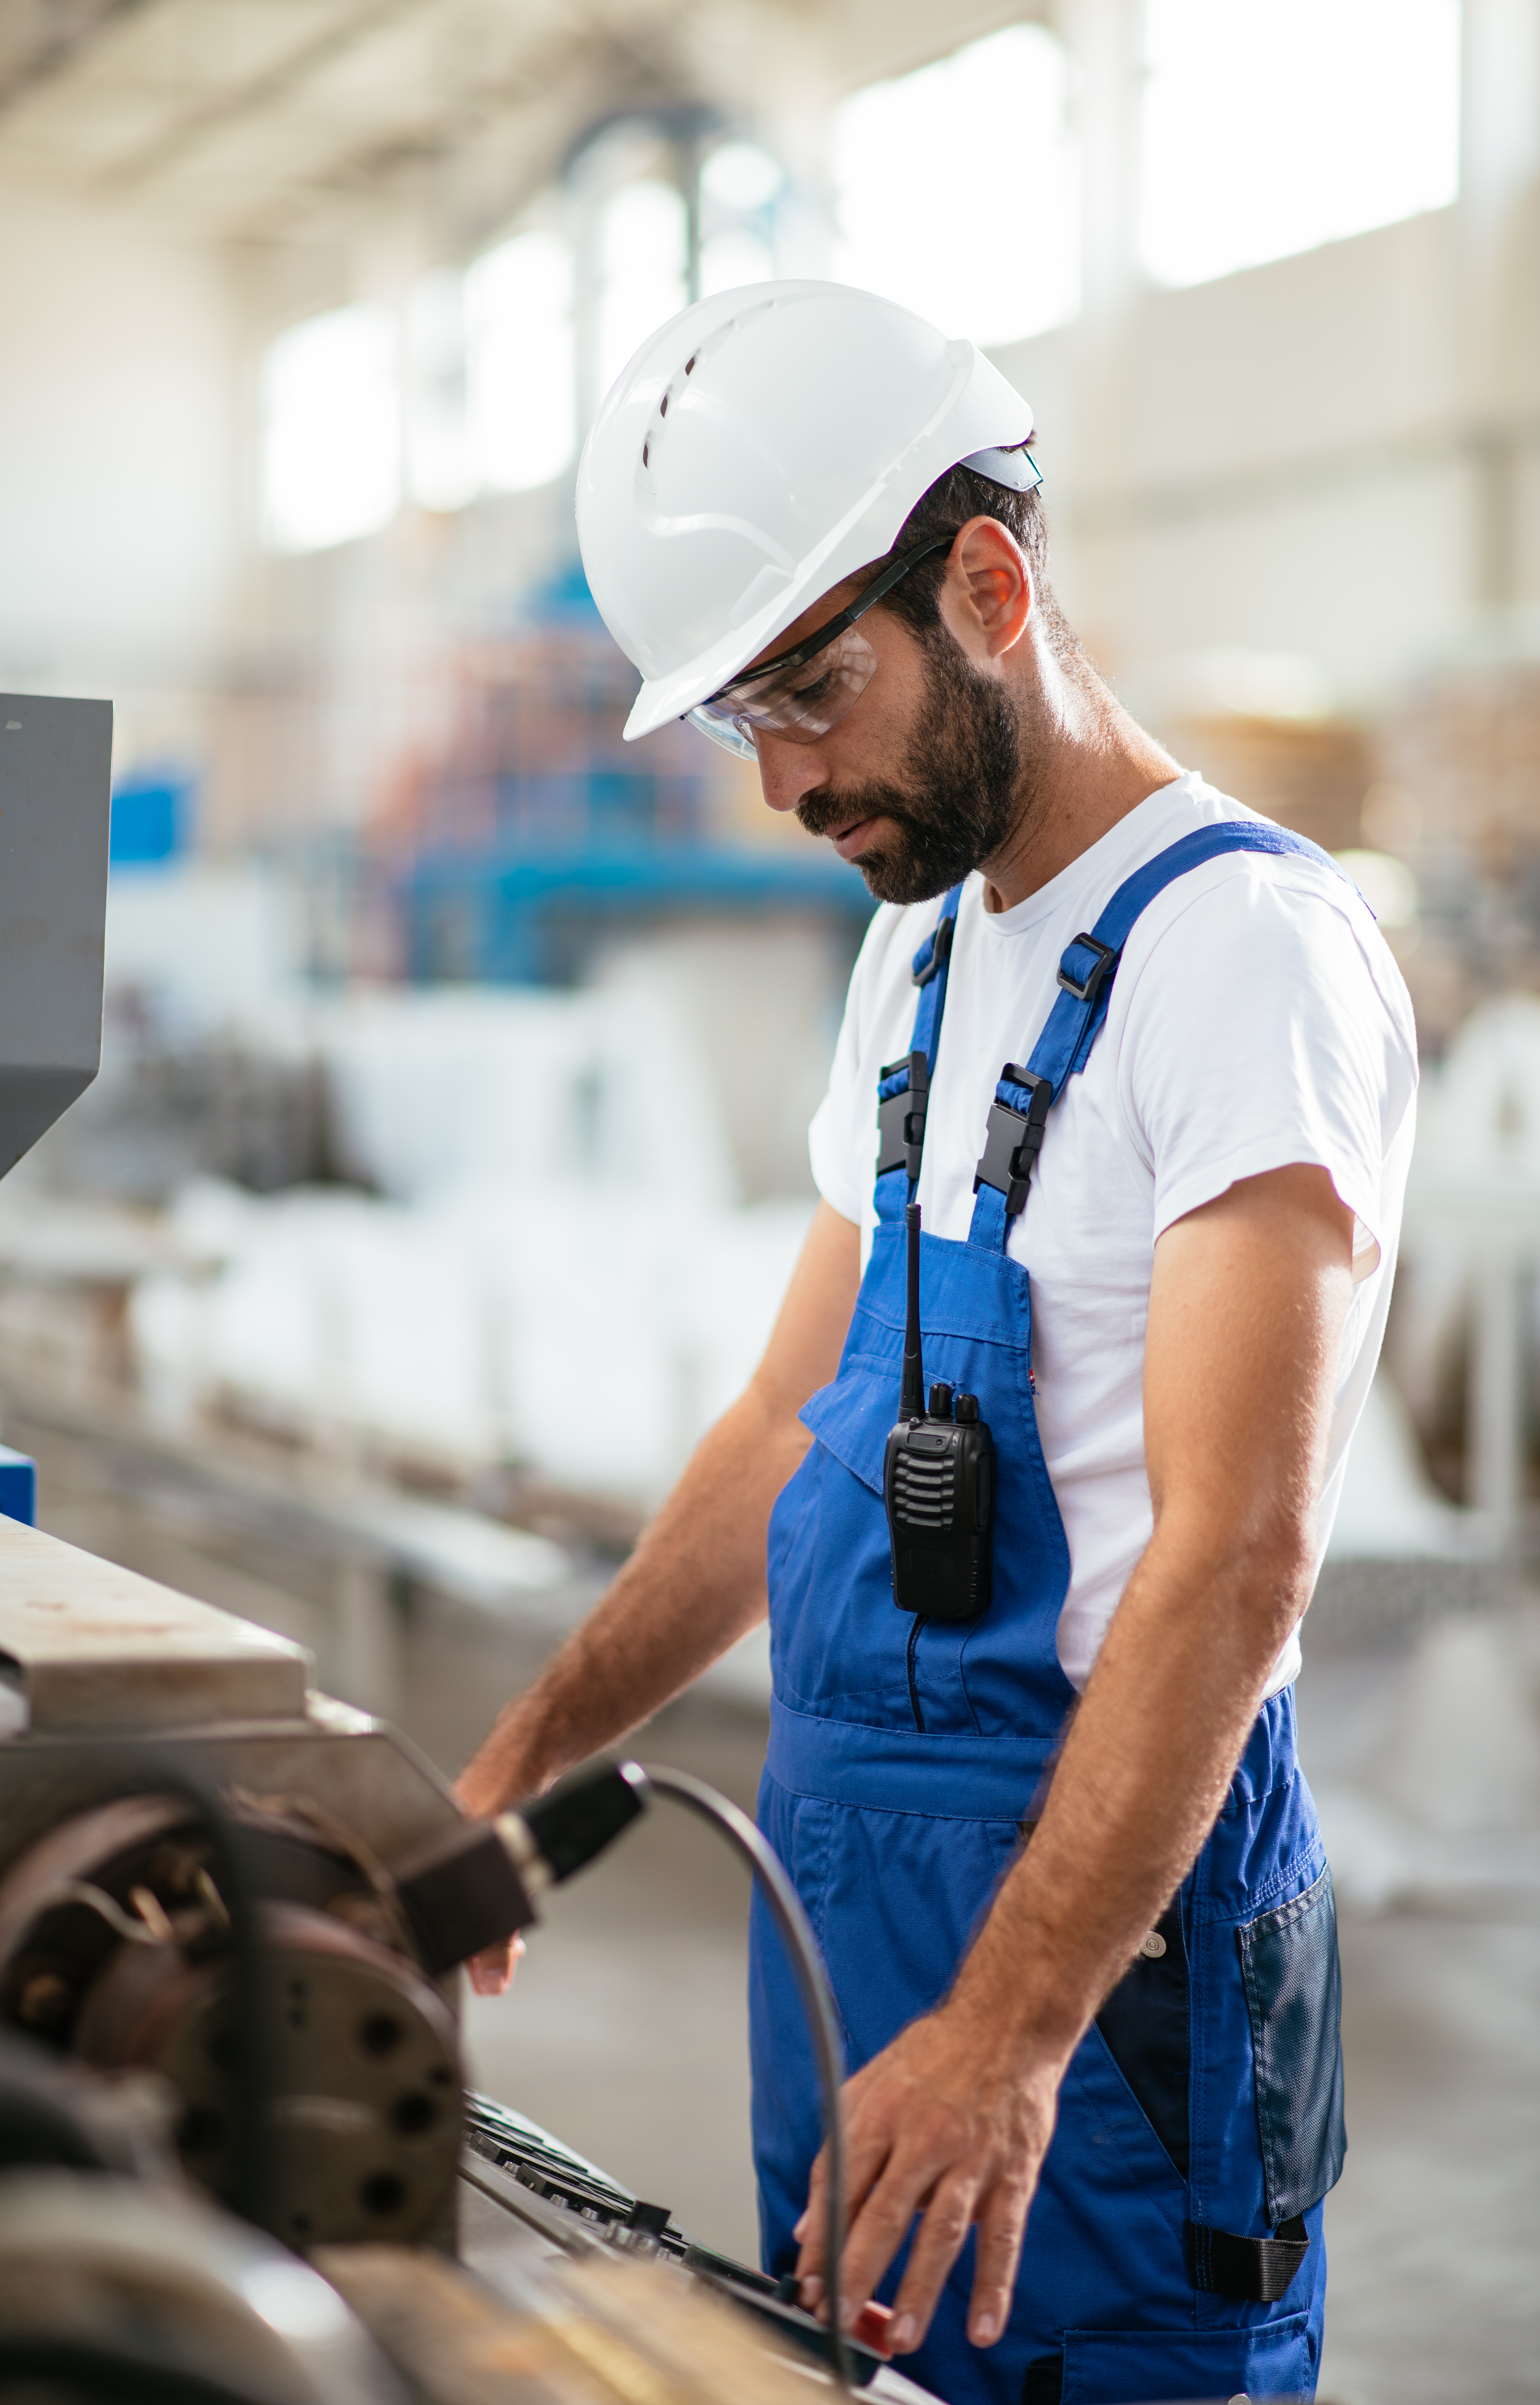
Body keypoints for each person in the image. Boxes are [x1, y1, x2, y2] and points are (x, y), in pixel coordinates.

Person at [456, 283, 1418, 2405]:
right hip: (855, 1939)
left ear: (988, 582)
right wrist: (511, 1774)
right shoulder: (916, 966)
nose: (787, 779)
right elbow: (787, 1432)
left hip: (1104, 2003)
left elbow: (1238, 1557)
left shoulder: (1240, 956)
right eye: (740, 722)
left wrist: (1012, 2035)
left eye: (816, 691)